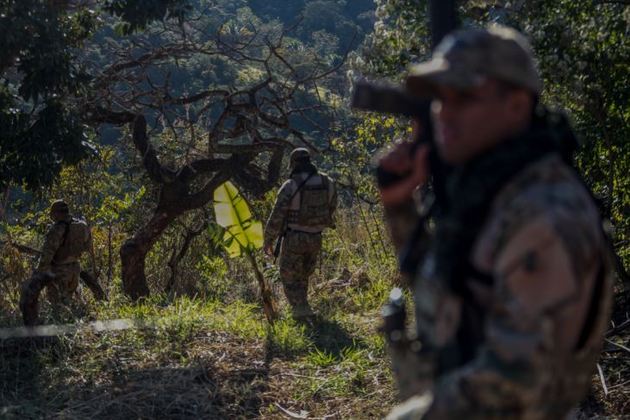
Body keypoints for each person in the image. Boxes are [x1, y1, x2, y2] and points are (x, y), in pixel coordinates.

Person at [378, 26, 613, 419]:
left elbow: (516, 385)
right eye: (440, 99)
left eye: (464, 97)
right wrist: (399, 206)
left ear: (517, 105)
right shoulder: (490, 189)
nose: (445, 113)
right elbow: (446, 292)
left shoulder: (545, 212)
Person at [264, 148, 338, 320]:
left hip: (294, 237)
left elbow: (277, 215)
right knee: (304, 274)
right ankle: (304, 308)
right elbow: (331, 206)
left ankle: (300, 311)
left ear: (294, 164)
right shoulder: (328, 182)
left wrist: (268, 239)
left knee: (289, 275)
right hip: (316, 237)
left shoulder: (290, 185)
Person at [36, 199, 95, 303]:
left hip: (59, 272)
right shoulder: (82, 226)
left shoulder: (57, 229)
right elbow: (88, 246)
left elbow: (47, 254)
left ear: (56, 214)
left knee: (57, 306)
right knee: (68, 302)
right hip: (75, 269)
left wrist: (39, 272)